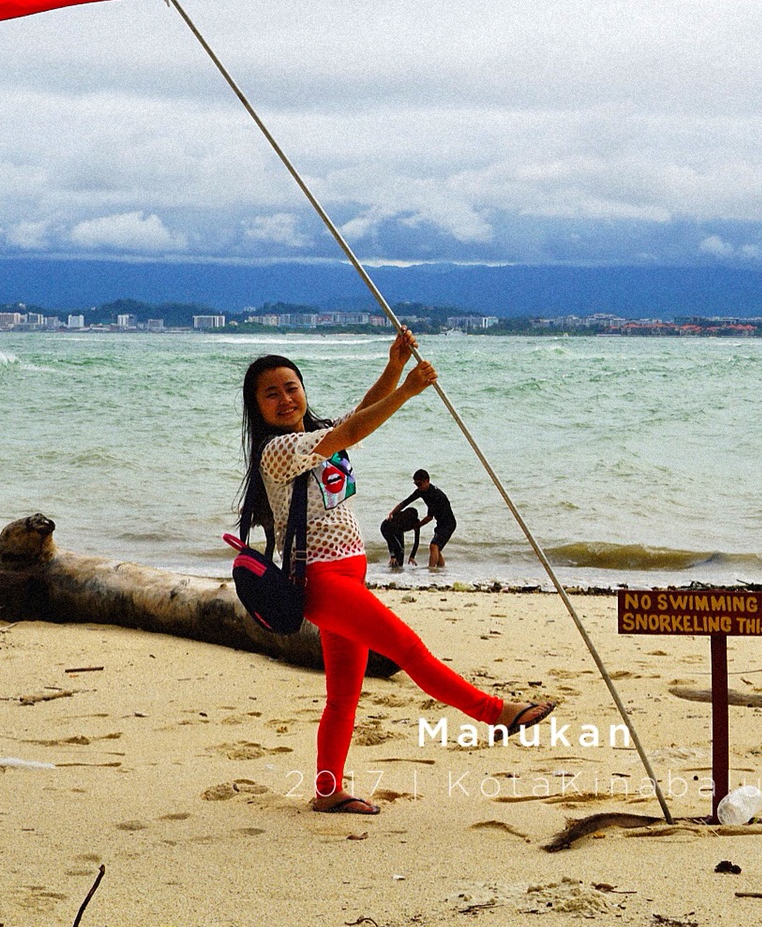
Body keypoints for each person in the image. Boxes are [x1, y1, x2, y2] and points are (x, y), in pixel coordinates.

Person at [237, 330, 554, 815]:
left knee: (343, 697)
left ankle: (327, 792)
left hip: (348, 577)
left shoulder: (314, 439)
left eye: (292, 387)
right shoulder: (279, 452)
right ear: (256, 407)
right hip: (321, 582)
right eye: (271, 393)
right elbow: (353, 430)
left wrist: (393, 365)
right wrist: (407, 389)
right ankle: (497, 714)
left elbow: (357, 417)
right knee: (407, 649)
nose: (285, 398)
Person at [391, 469, 457, 570]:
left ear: (427, 481)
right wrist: (392, 513)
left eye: (419, 484)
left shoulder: (435, 495)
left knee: (433, 546)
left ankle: (431, 571)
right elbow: (406, 502)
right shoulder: (421, 491)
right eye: (416, 484)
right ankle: (441, 571)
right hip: (441, 523)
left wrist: (418, 525)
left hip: (449, 524)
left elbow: (430, 517)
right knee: (436, 549)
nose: (418, 487)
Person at [379, 504, 423, 570]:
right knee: (397, 548)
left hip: (399, 530)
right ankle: (393, 567)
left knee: (401, 551)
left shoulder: (416, 523)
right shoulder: (399, 520)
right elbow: (390, 539)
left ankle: (398, 570)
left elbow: (416, 541)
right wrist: (392, 556)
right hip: (386, 528)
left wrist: (412, 557)